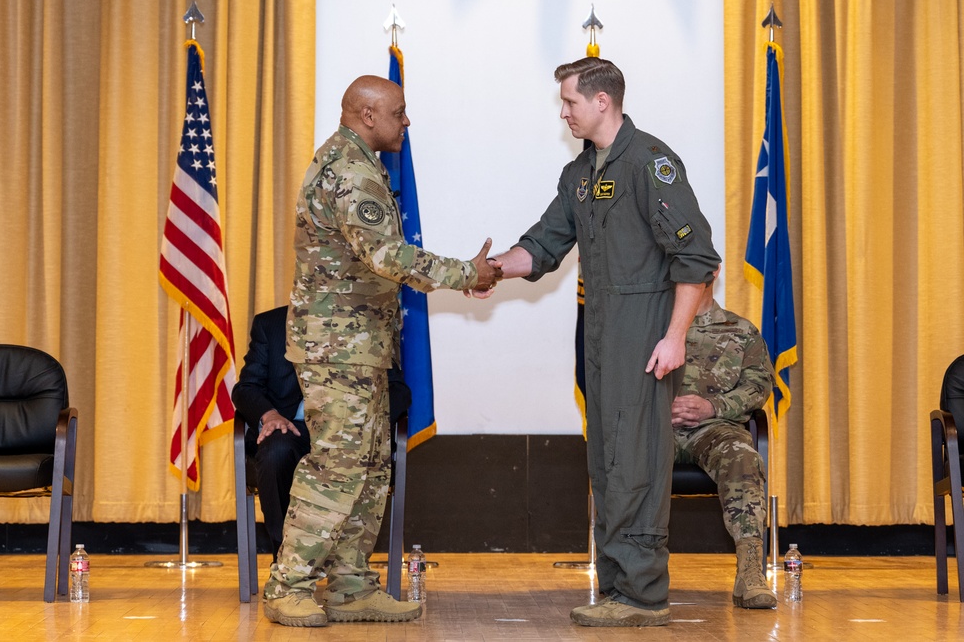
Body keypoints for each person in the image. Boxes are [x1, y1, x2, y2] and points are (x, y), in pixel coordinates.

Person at [487, 57, 721, 627]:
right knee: (609, 458)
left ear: (602, 102)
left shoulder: (650, 163)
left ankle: (643, 595)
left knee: (636, 458)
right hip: (598, 331)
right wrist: (488, 269)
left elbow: (696, 260)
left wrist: (675, 336)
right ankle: (618, 588)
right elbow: (542, 245)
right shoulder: (581, 174)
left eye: (568, 102)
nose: (563, 112)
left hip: (644, 331)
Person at [262, 75, 501, 628]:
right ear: (367, 115)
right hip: (337, 348)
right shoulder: (349, 170)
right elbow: (388, 256)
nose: (406, 121)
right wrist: (467, 272)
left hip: (360, 346)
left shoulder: (358, 162)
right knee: (337, 467)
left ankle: (348, 587)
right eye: (399, 112)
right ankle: (287, 583)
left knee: (369, 468)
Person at [231, 305, 413, 563]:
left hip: (348, 430)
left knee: (360, 454)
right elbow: (246, 388)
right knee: (276, 451)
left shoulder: (366, 320)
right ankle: (287, 561)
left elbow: (397, 390)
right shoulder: (271, 323)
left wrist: (363, 421)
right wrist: (269, 415)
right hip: (291, 427)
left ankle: (347, 567)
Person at [671, 266, 776, 609]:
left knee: (742, 454)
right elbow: (620, 383)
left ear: (714, 270)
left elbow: (758, 387)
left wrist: (711, 406)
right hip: (658, 428)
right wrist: (657, 407)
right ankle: (630, 573)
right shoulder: (652, 324)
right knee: (625, 455)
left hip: (715, 429)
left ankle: (750, 572)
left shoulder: (741, 330)